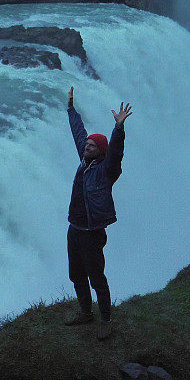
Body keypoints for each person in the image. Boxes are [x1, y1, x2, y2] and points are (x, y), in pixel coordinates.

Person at [63, 86, 132, 341]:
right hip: (74, 229)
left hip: (92, 232)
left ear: (99, 152)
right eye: (87, 145)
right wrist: (71, 108)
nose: (86, 147)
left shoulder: (106, 170)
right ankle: (85, 312)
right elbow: (78, 133)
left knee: (96, 277)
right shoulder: (85, 160)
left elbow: (115, 152)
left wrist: (119, 128)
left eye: (91, 146)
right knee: (76, 274)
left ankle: (106, 319)